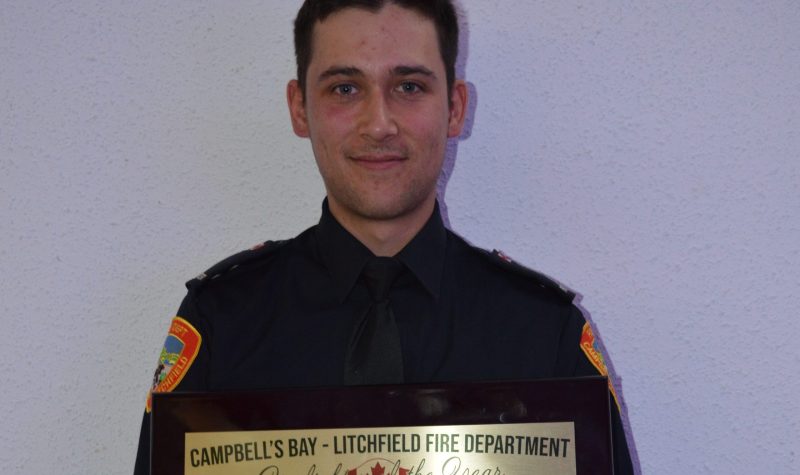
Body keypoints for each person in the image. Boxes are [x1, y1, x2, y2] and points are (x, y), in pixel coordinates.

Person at [133, 0, 634, 473]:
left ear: (456, 107)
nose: (379, 124)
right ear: (299, 108)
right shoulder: (222, 321)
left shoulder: (544, 333)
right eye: (345, 88)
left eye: (410, 86)